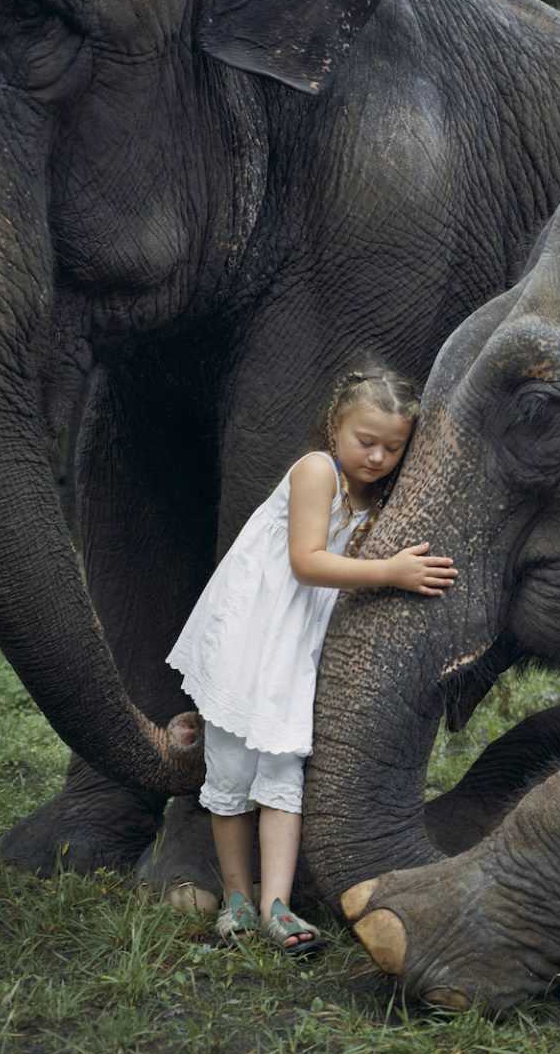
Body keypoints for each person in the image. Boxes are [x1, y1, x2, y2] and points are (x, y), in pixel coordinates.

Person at [166, 367, 456, 955]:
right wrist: (392, 572)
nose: (376, 456)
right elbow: (306, 561)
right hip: (253, 637)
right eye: (365, 441)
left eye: (392, 447)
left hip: (295, 648)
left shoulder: (375, 494)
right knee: (231, 771)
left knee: (282, 772)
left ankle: (279, 905)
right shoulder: (316, 471)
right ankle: (237, 898)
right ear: (335, 428)